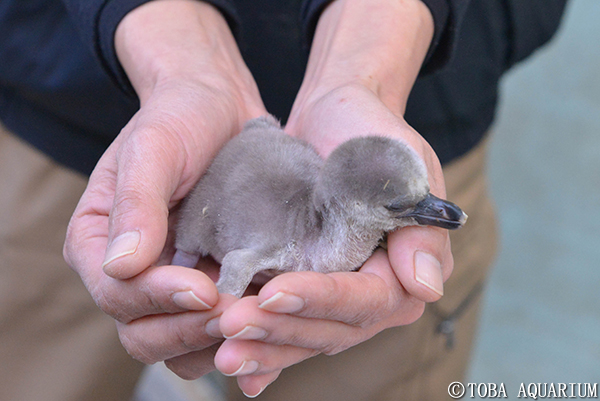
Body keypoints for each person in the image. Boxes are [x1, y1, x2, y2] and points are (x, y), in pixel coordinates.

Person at [0, 0, 567, 400]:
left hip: (412, 112)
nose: (432, 216)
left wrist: (369, 59)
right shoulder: (292, 232)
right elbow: (245, 258)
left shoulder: (375, 182)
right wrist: (176, 54)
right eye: (400, 209)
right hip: (86, 126)